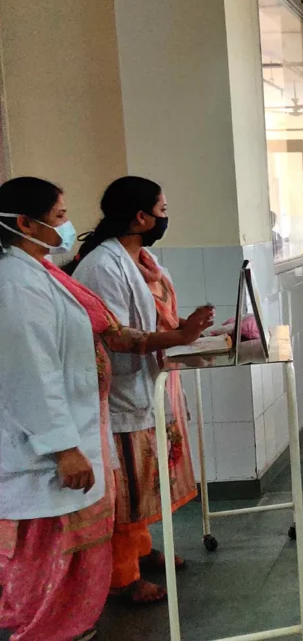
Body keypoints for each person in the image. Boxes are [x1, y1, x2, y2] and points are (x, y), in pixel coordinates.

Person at [0, 177, 211, 641]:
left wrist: (177, 337)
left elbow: (110, 331)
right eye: (58, 216)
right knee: (43, 564)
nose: (67, 225)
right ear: (23, 223)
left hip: (79, 427)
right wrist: (62, 447)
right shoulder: (15, 284)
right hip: (41, 453)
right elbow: (28, 373)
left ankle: (65, 627)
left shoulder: (43, 272)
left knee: (76, 552)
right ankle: (40, 631)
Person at [69, 177, 199, 603]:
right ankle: (121, 577)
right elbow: (116, 336)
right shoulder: (102, 265)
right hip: (122, 390)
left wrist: (186, 331)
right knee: (126, 486)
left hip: (149, 381)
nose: (165, 217)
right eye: (161, 210)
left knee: (145, 478)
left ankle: (141, 550)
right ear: (140, 216)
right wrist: (178, 338)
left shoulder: (142, 258)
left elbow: (154, 318)